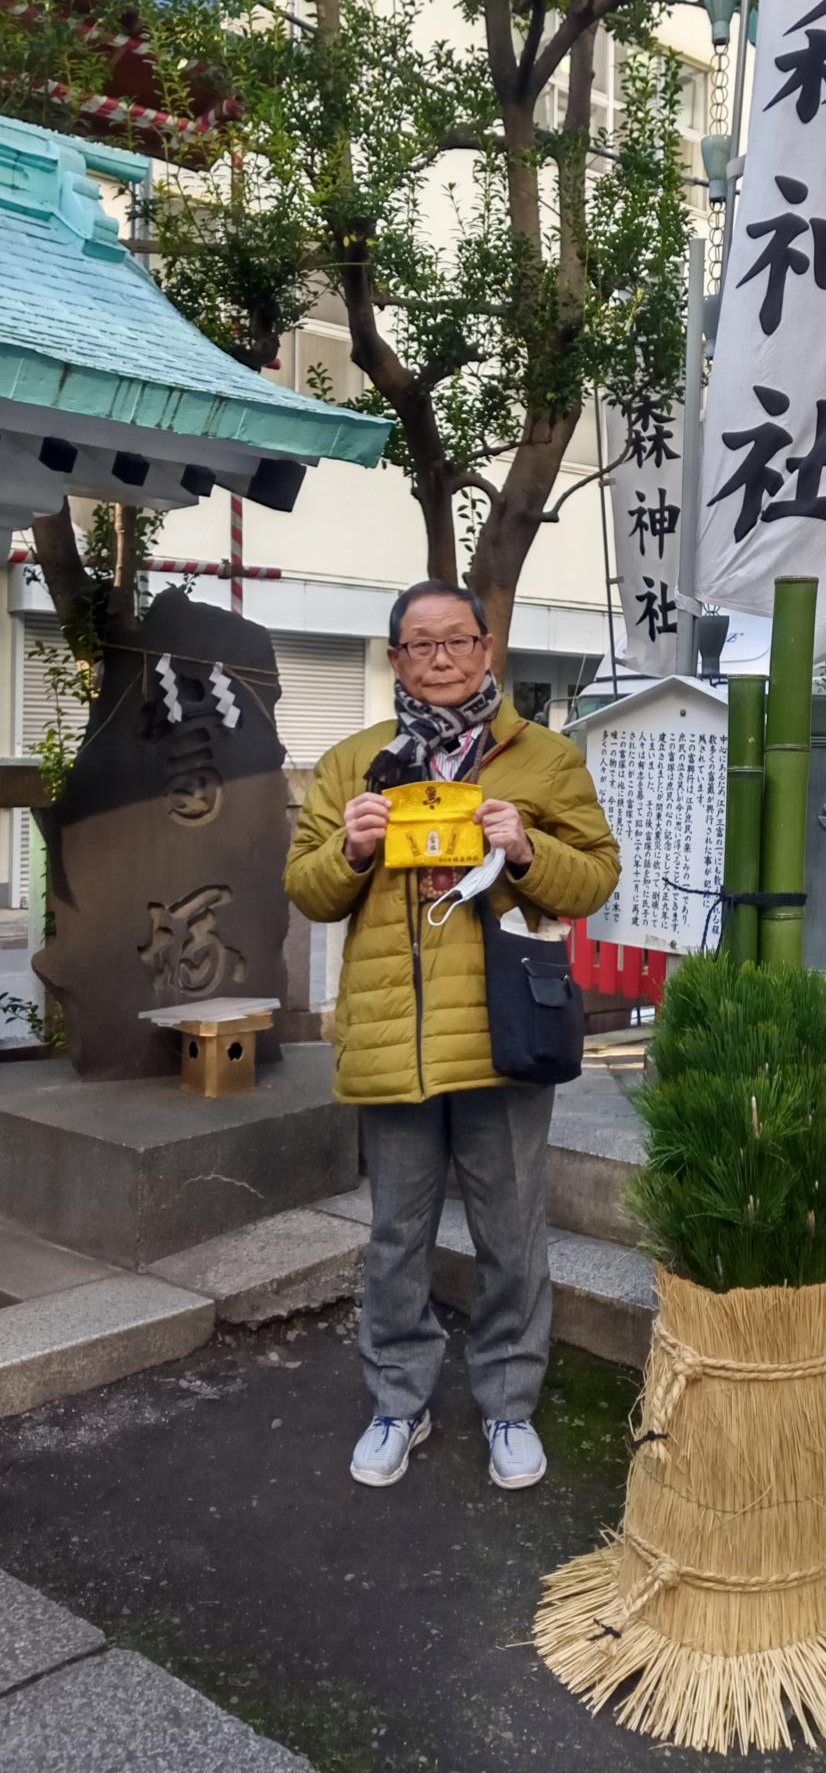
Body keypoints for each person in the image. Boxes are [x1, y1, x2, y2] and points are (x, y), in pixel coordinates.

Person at [285, 580, 620, 1491]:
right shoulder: (354, 762)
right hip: (394, 1040)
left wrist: (525, 849)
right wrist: (350, 849)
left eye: (456, 642)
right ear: (395, 658)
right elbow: (309, 892)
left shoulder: (543, 759)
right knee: (397, 1236)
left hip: (504, 1037)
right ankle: (400, 1399)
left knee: (512, 1234)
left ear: (487, 649)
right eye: (419, 646)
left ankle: (509, 1404)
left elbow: (593, 879)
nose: (439, 660)